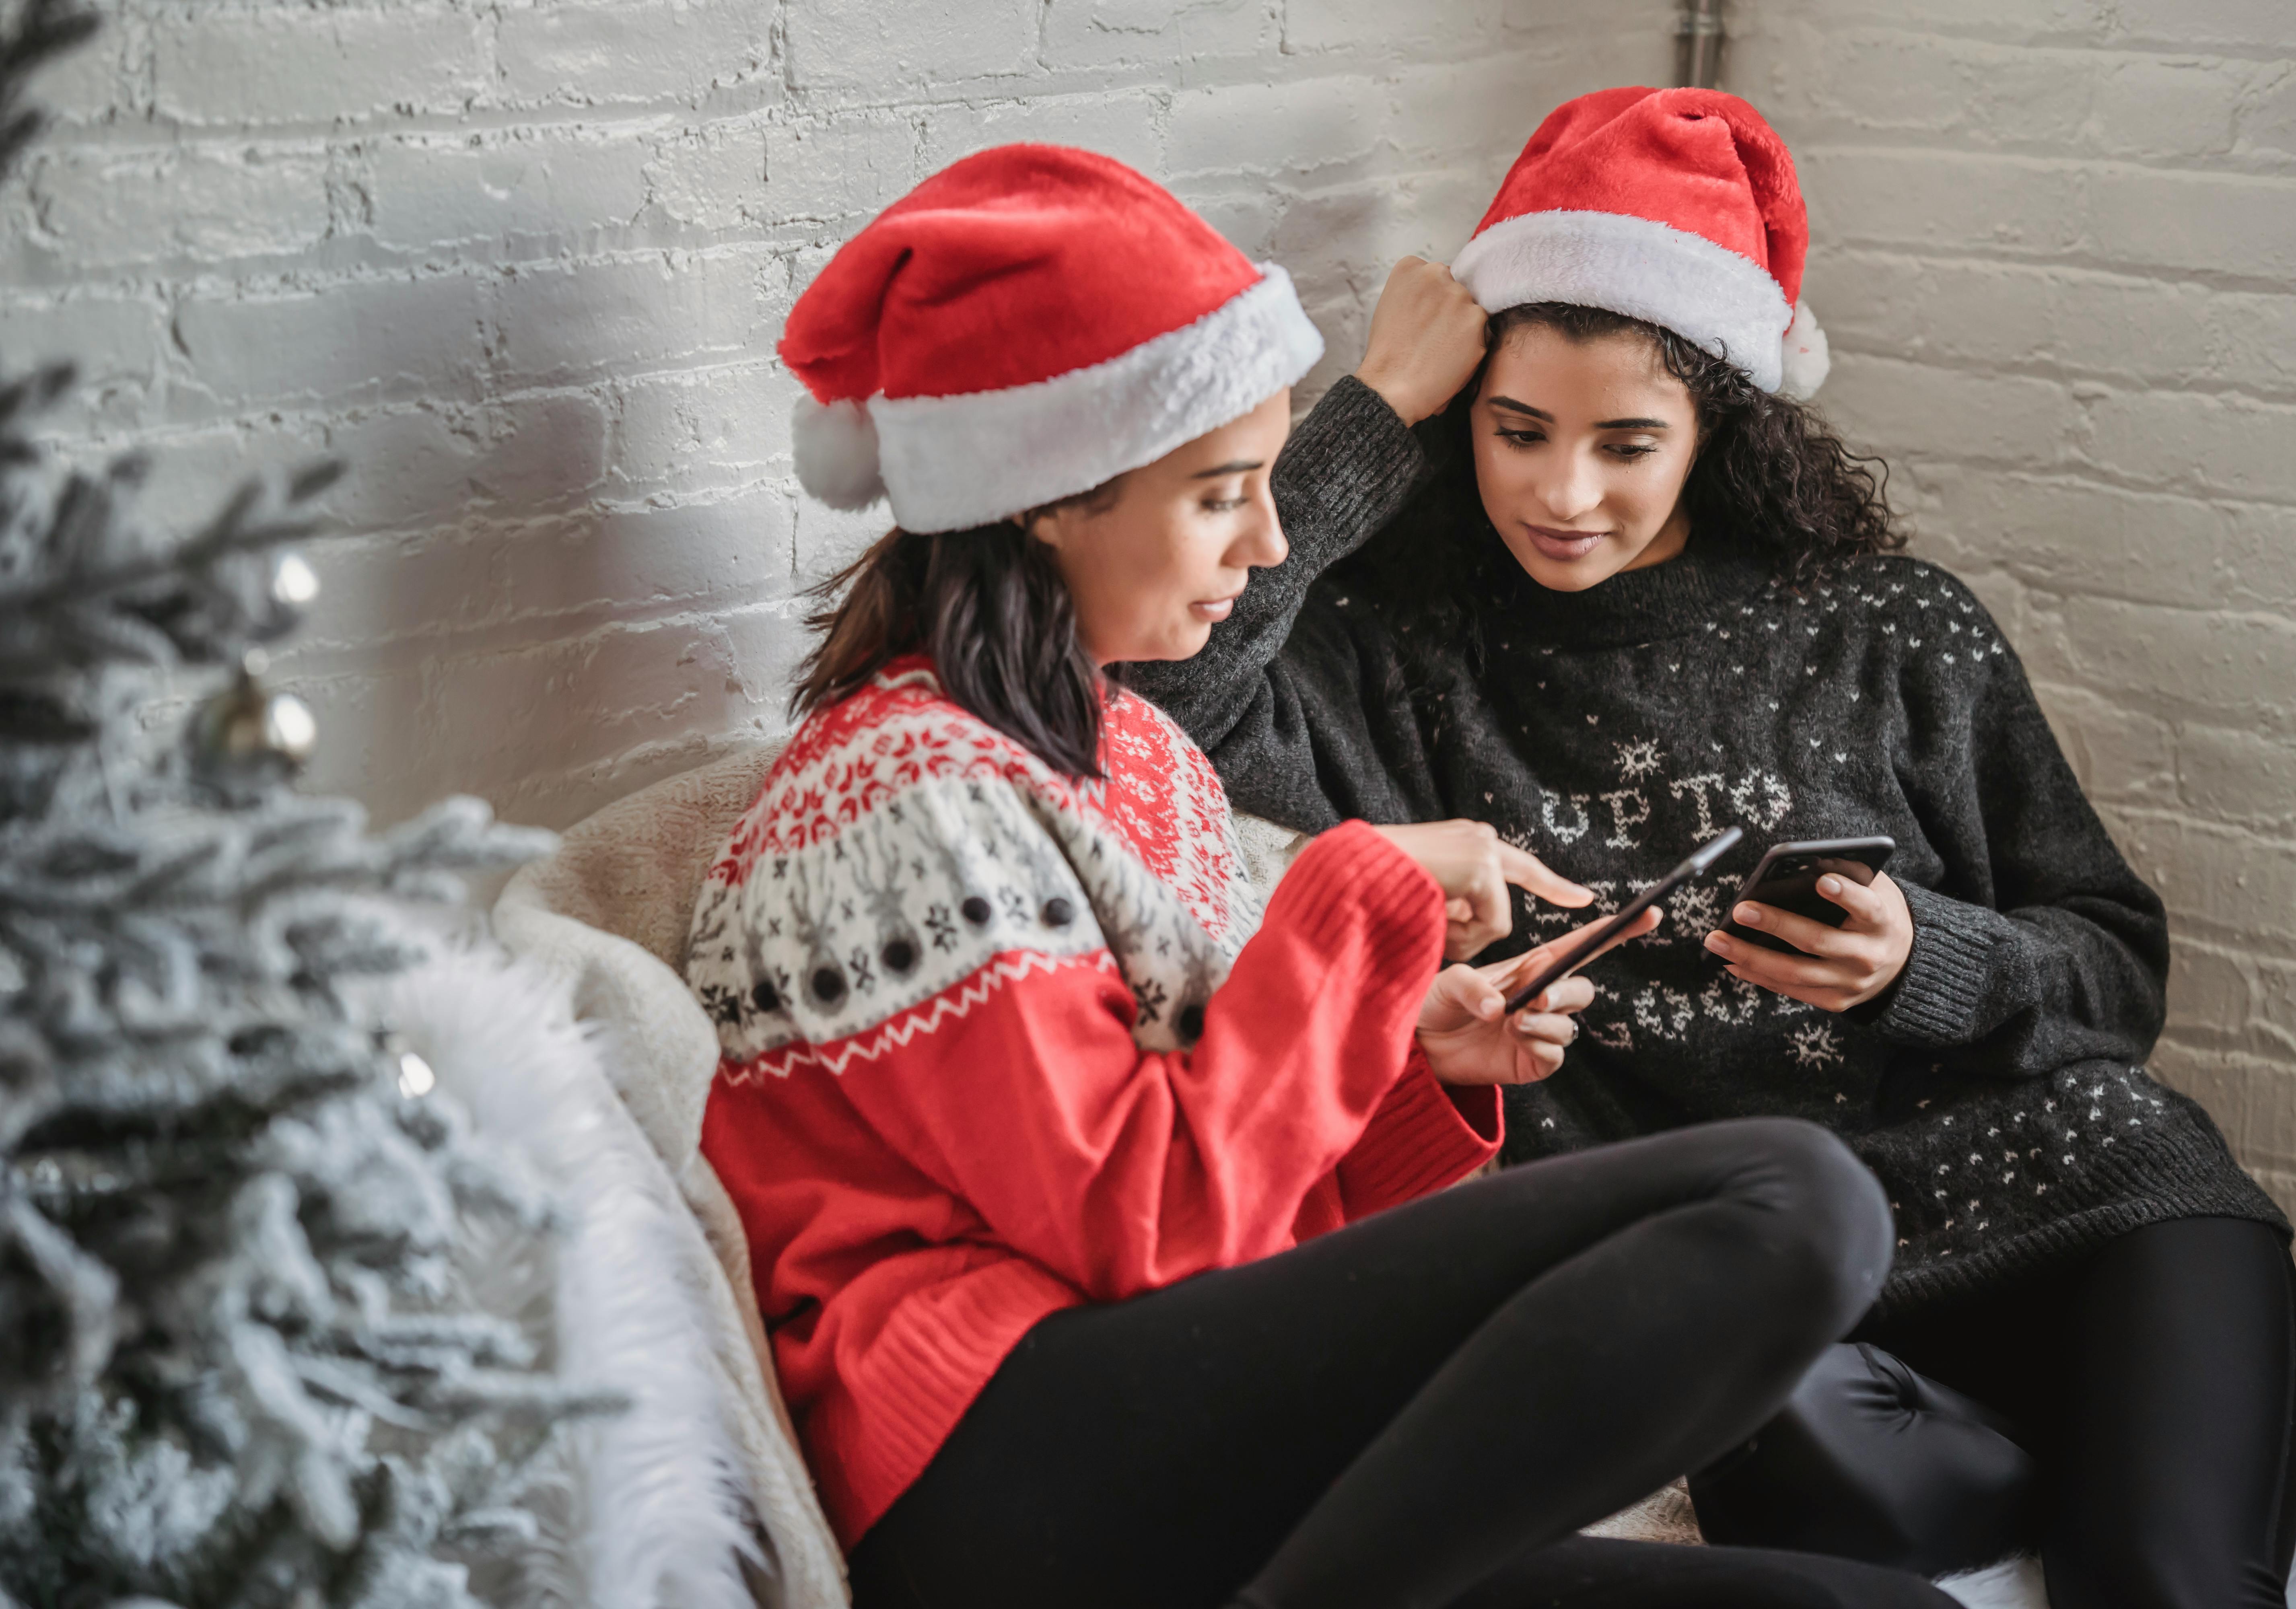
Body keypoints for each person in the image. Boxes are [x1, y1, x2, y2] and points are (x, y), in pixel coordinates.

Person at [686, 144, 1961, 1609]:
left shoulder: (1133, 757)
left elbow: (1255, 1203)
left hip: (1176, 1426)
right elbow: (1153, 1233)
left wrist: (1409, 1066)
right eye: (1224, 492)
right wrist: (1349, 897)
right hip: (996, 1454)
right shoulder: (899, 788)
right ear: (1045, 497)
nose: (1274, 540)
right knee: (1791, 1201)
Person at [1121, 88, 2296, 1609]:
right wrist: (1372, 415)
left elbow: (2114, 967)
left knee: (2181, 1563)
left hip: (2029, 1186)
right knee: (1835, 1486)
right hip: (1726, 1252)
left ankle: (2135, 1478)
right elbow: (1153, 697)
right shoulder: (1388, 652)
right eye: (1515, 431)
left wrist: (1920, 959)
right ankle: (2049, 1459)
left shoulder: (1892, 627)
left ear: (1719, 430)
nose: (1564, 493)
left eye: (1627, 444)